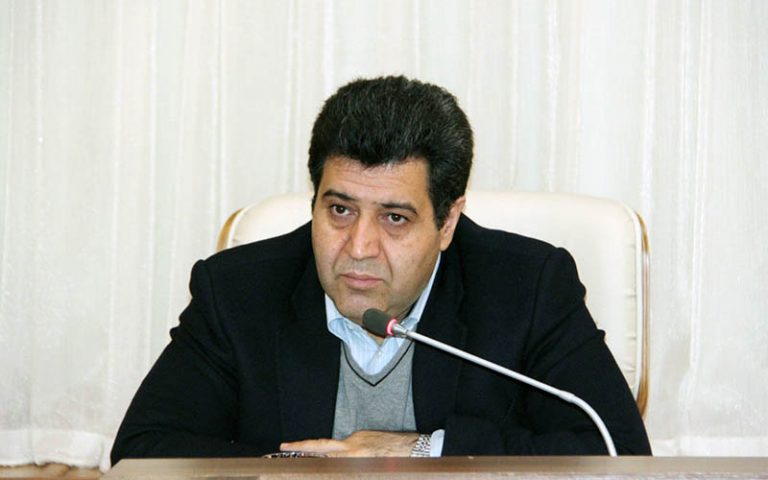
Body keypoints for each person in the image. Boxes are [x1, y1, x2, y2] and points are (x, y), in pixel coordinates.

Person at [111, 76, 651, 463]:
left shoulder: (527, 287)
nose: (360, 247)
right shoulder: (237, 291)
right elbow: (143, 453)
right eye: (340, 210)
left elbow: (616, 451)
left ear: (447, 222)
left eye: (395, 218)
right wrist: (308, 471)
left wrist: (420, 451)